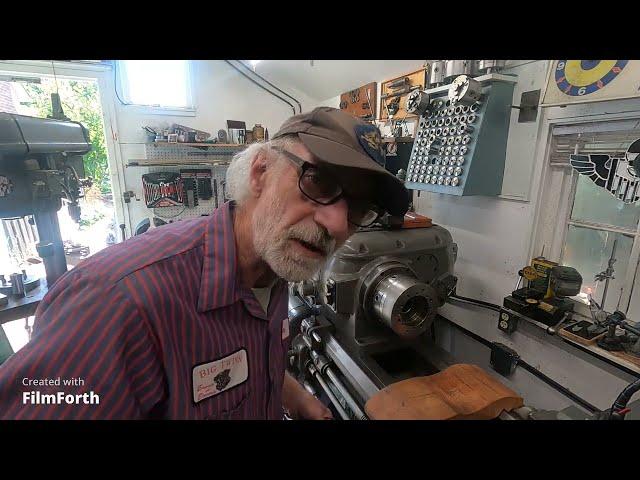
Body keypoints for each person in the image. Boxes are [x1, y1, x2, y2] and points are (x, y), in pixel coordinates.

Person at [0, 106, 409, 419]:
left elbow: (246, 358)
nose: (337, 223)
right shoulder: (115, 302)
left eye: (358, 208)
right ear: (260, 172)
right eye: (318, 181)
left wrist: (299, 399)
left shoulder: (277, 267)